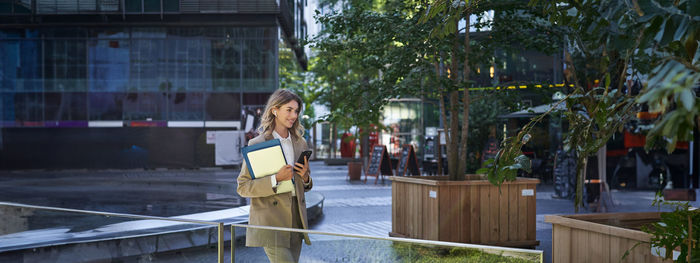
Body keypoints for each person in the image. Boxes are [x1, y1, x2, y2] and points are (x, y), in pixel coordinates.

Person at [236, 89, 312, 263]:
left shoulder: (300, 143)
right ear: (274, 110)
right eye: (289, 110)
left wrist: (306, 177)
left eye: (296, 111)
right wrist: (275, 179)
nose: (294, 115)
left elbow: (305, 185)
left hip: (296, 218)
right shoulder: (257, 143)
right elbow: (242, 187)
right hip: (271, 220)